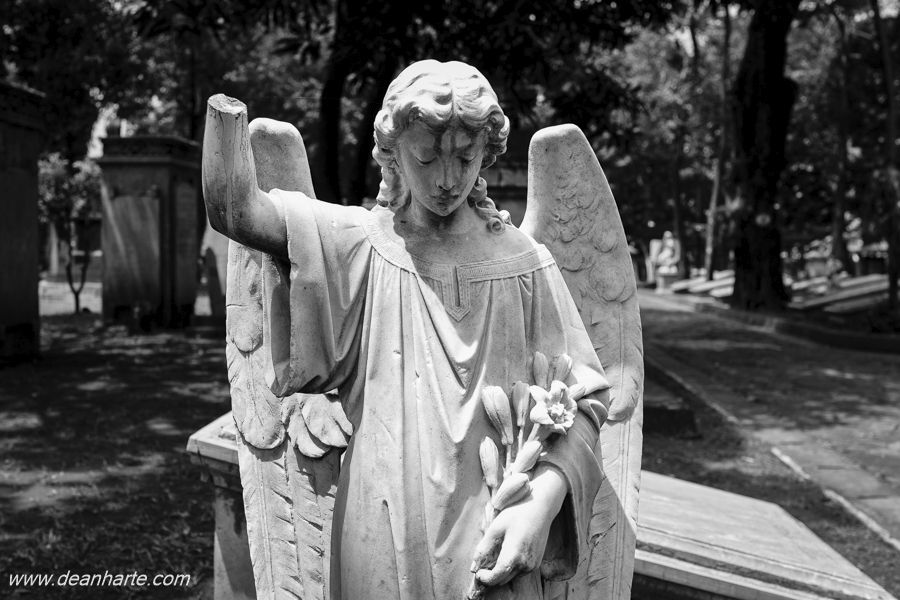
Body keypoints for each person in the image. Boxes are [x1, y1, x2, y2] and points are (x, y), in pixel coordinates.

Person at [205, 60, 609, 600]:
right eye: (426, 157)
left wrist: (542, 501)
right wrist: (225, 116)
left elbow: (584, 401)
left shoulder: (525, 263)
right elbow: (237, 210)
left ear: (486, 152)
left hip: (495, 520)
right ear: (393, 153)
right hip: (382, 518)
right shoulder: (358, 244)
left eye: (465, 157)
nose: (447, 179)